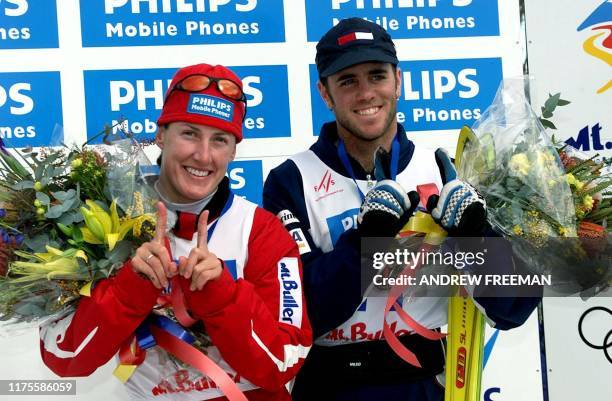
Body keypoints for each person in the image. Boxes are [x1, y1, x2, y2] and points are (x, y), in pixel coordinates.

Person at [263, 18, 539, 401]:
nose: (365, 93)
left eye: (376, 76)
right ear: (324, 93)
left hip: (427, 384)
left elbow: (515, 308)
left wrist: (477, 239)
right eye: (347, 81)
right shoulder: (290, 180)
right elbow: (301, 310)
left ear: (398, 80)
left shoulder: (447, 173)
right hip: (333, 386)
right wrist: (367, 241)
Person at [40, 63, 312, 401]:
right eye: (189, 133)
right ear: (160, 134)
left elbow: (285, 362)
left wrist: (223, 298)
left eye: (220, 140)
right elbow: (63, 359)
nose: (203, 154)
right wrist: (127, 289)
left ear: (234, 150)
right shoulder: (103, 223)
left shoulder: (261, 231)